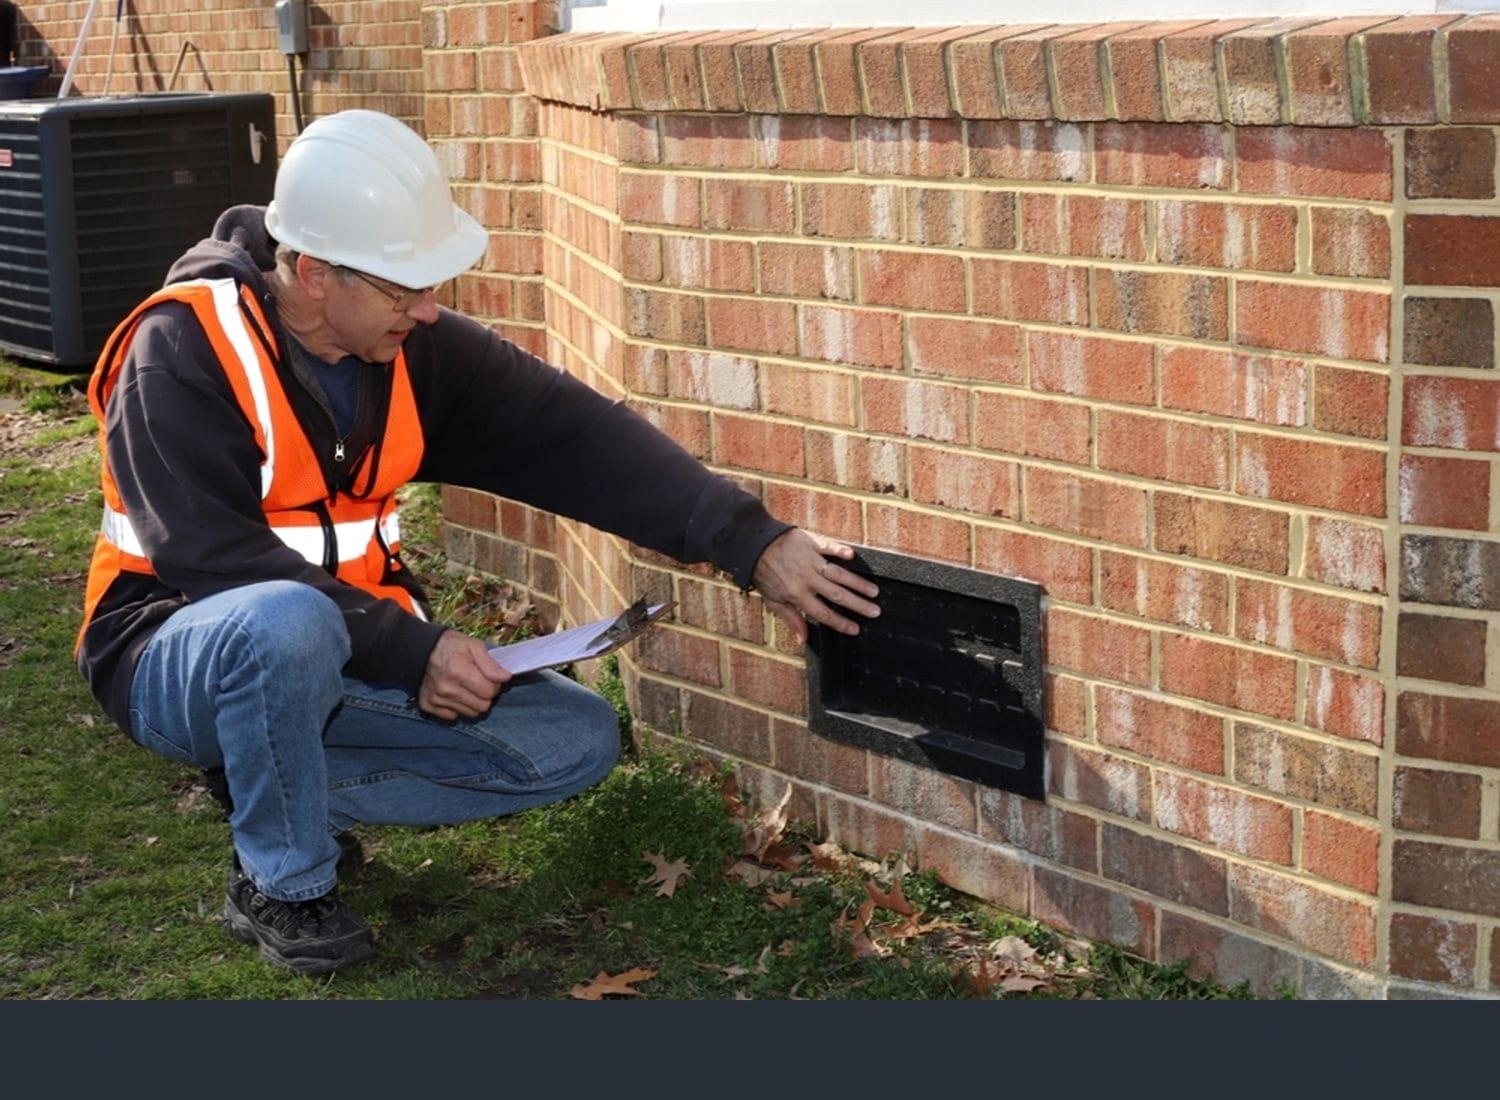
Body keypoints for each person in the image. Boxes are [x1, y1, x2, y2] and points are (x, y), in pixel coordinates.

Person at [75, 109, 880, 975]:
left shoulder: (408, 349)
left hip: (346, 658)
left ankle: (278, 788)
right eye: (401, 289)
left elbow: (571, 435)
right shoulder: (181, 348)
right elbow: (213, 559)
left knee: (577, 740)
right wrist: (414, 650)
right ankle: (284, 882)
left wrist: (751, 543)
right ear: (312, 272)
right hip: (170, 650)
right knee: (282, 622)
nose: (428, 311)